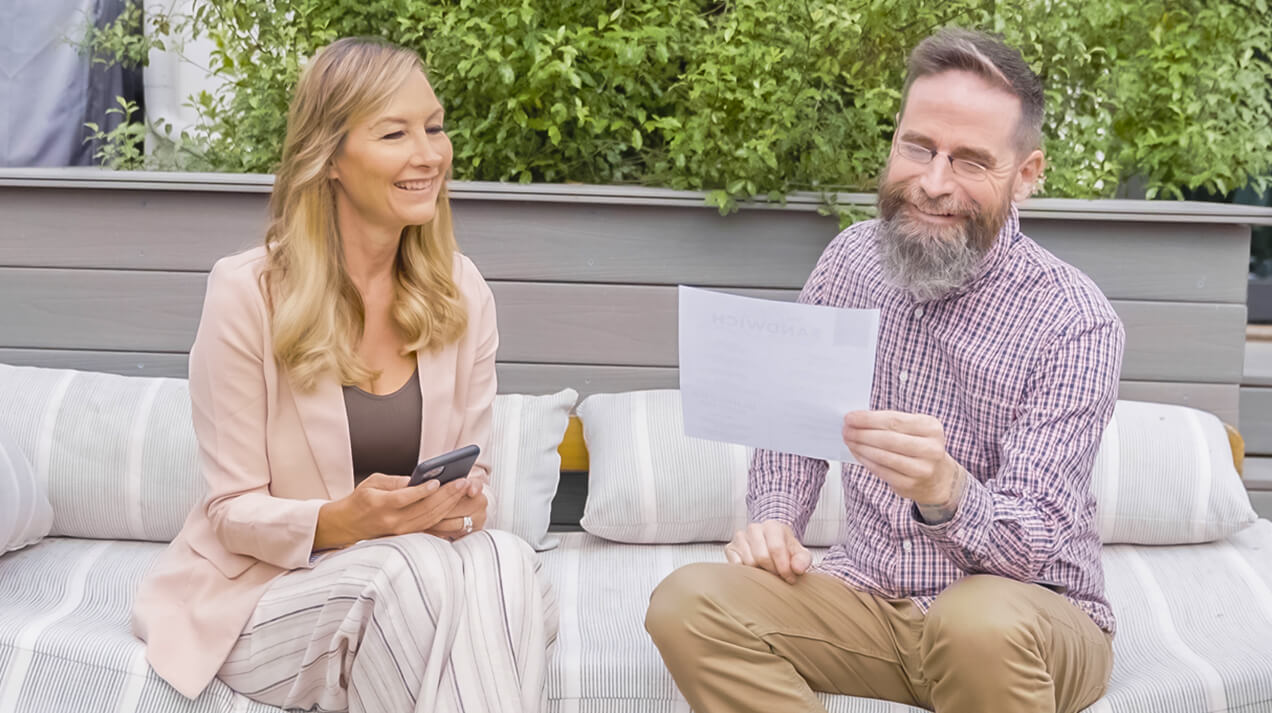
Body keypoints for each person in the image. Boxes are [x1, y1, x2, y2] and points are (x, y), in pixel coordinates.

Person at [646, 27, 1123, 713]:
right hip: (870, 596)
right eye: (918, 147)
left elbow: (1028, 548)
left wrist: (945, 487)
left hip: (1029, 617)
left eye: (969, 161)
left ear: (1027, 175)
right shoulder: (849, 260)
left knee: (975, 622)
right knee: (687, 601)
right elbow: (793, 424)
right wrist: (776, 522)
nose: (932, 184)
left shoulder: (1075, 321)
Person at [132, 37, 556, 713]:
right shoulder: (247, 292)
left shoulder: (463, 292)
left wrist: (466, 510)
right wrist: (343, 521)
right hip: (268, 593)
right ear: (329, 156)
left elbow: (477, 484)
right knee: (410, 569)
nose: (429, 154)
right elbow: (232, 511)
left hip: (415, 588)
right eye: (395, 133)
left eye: (434, 126)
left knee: (502, 560)